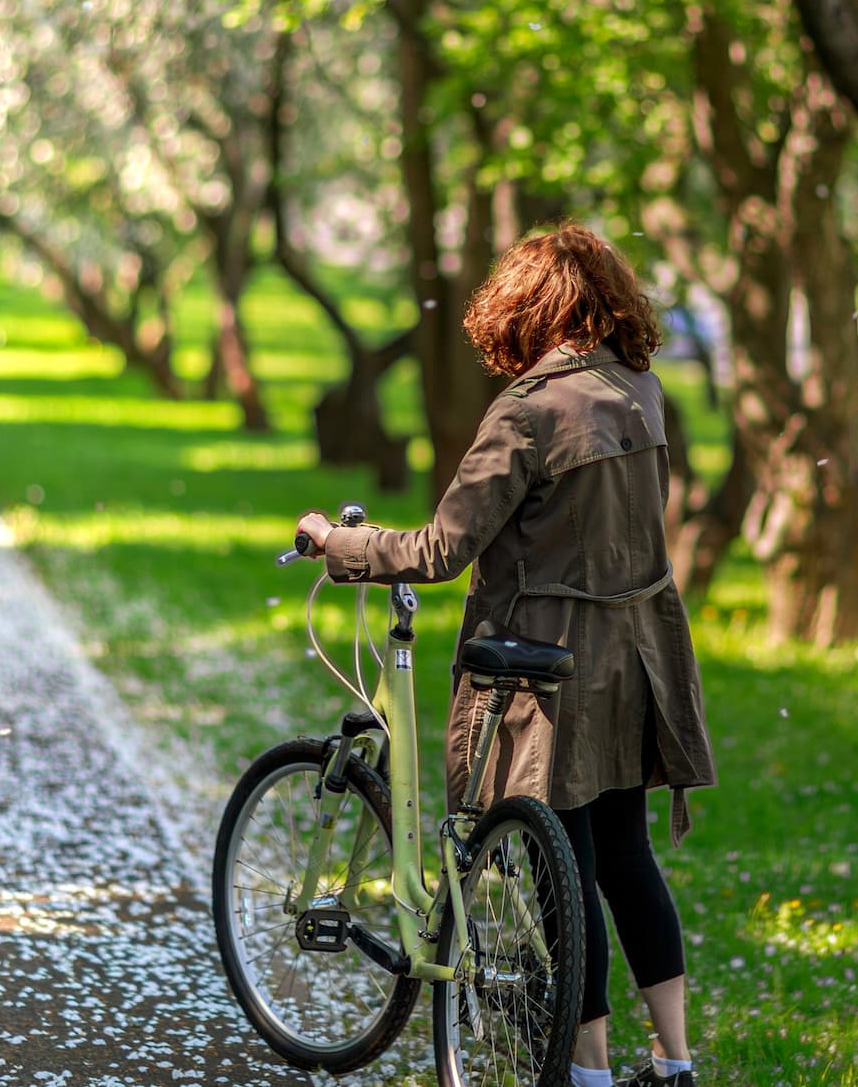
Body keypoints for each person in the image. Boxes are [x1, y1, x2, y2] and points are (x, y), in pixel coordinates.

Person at [296, 223, 715, 1087]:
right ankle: (675, 1060)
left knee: (568, 867)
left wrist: (337, 544)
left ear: (527, 305)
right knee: (626, 857)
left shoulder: (527, 411)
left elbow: (440, 551)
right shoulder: (641, 388)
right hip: (636, 658)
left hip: (545, 672)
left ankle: (589, 1070)